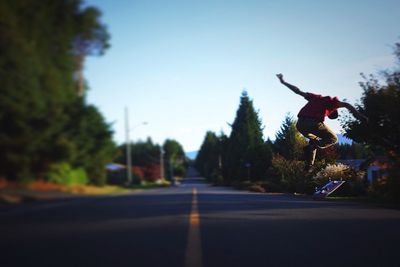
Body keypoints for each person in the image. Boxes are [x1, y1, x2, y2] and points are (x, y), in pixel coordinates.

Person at [276, 73, 368, 171]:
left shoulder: (316, 97)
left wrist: (283, 82)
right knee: (333, 139)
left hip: (300, 125)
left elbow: (298, 91)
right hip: (312, 123)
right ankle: (312, 150)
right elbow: (347, 105)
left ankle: (308, 166)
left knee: (314, 141)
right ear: (334, 110)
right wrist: (359, 116)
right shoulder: (331, 103)